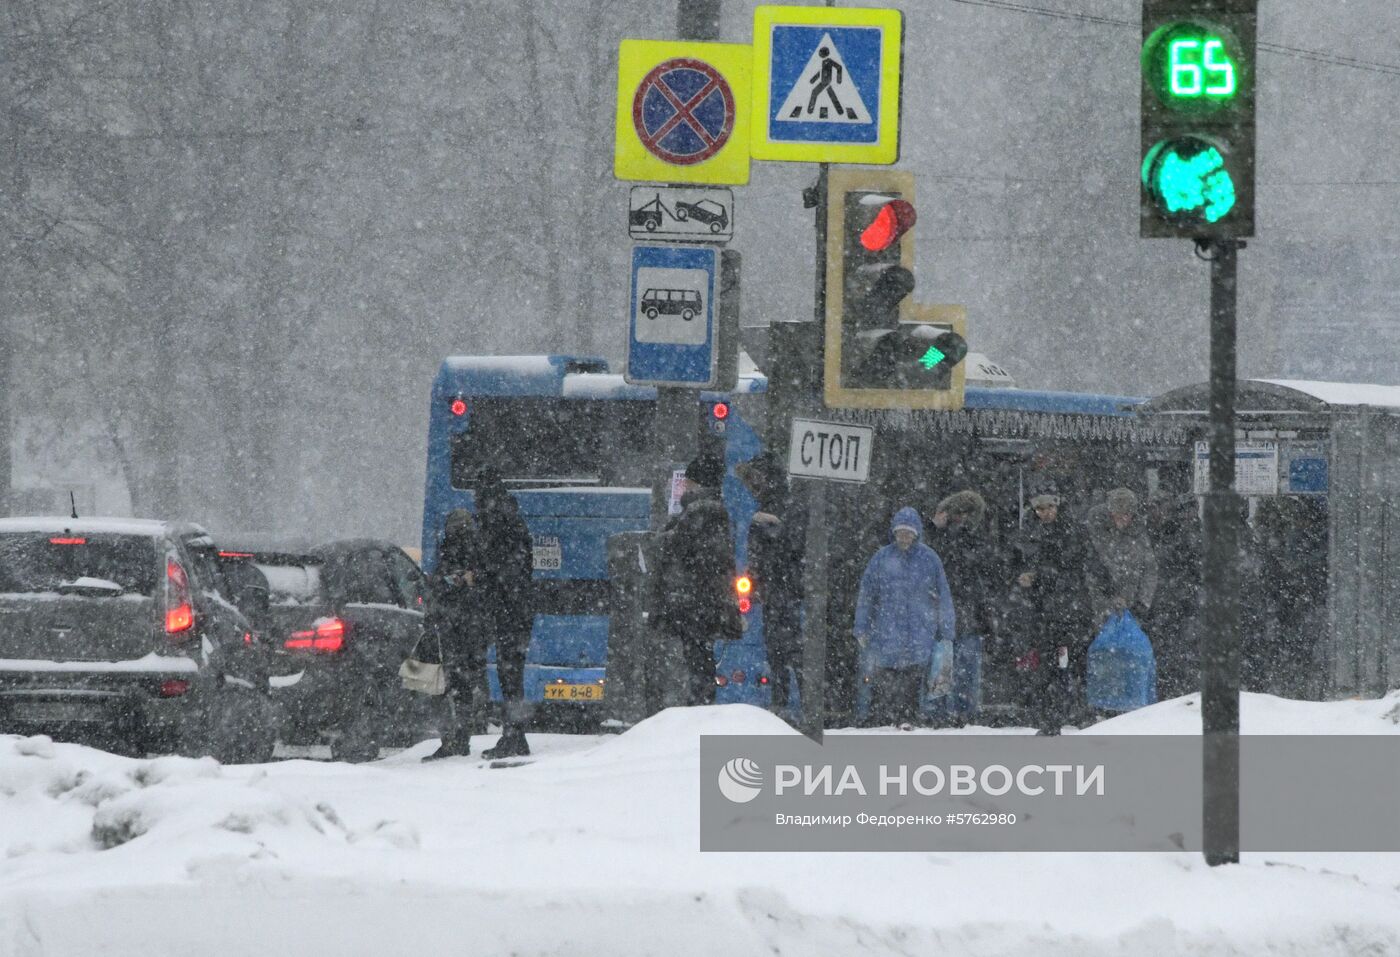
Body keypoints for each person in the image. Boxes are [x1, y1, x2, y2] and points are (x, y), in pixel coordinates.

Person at [854, 507, 955, 727]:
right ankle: (885, 717)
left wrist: (946, 629)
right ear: (894, 533)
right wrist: (861, 626)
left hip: (918, 629)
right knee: (886, 675)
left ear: (916, 533)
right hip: (888, 628)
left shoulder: (929, 559)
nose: (904, 537)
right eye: (900, 532)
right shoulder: (881, 558)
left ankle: (906, 716)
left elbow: (943, 594)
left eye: (908, 533)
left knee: (912, 676)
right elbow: (867, 594)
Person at [653, 453, 740, 706]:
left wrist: (662, 537)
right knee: (699, 658)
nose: (684, 486)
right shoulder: (708, 511)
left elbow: (672, 546)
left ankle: (698, 708)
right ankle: (699, 704)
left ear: (698, 483)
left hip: (694, 604)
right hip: (703, 603)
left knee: (697, 661)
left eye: (688, 481)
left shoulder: (700, 511)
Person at [1007, 485, 1093, 734]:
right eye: (1040, 509)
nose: (1045, 513)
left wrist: (1039, 576)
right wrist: (1020, 577)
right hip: (1041, 611)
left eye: (1049, 507)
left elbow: (1070, 566)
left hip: (1067, 610)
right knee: (1046, 668)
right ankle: (1050, 719)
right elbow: (1012, 564)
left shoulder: (1072, 532)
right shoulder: (1027, 535)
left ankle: (1071, 713)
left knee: (1068, 666)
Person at [472, 469, 536, 759]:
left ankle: (514, 736)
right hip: (516, 608)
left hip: (508, 608)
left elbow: (502, 570)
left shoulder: (499, 523)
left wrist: (483, 578)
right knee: (512, 673)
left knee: (509, 673)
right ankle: (514, 734)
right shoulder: (510, 520)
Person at [737, 451, 807, 712]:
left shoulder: (780, 509)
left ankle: (786, 704)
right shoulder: (773, 507)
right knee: (780, 651)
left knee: (786, 651)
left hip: (784, 590)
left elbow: (791, 548)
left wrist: (773, 529)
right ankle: (784, 704)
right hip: (778, 591)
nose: (753, 487)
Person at [927, 490, 1003, 724]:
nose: (960, 518)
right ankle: (941, 710)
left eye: (965, 514)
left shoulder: (976, 539)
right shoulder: (937, 538)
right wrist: (934, 529)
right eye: (957, 513)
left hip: (967, 609)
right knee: (943, 664)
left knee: (963, 665)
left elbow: (984, 567)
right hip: (947, 609)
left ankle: (962, 711)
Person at [424, 509, 484, 760]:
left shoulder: (447, 552)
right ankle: (459, 739)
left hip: (449, 627)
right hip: (464, 628)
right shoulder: (478, 554)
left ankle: (451, 740)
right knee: (461, 687)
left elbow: (436, 586)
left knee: (440, 687)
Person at [1085, 488, 1159, 627]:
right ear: (1110, 513)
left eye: (1127, 514)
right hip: (1099, 608)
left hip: (1131, 608)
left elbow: (1150, 570)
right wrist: (1106, 594)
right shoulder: (1095, 533)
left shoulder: (1140, 536)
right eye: (1119, 514)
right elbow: (1088, 567)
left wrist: (1143, 602)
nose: (1123, 519)